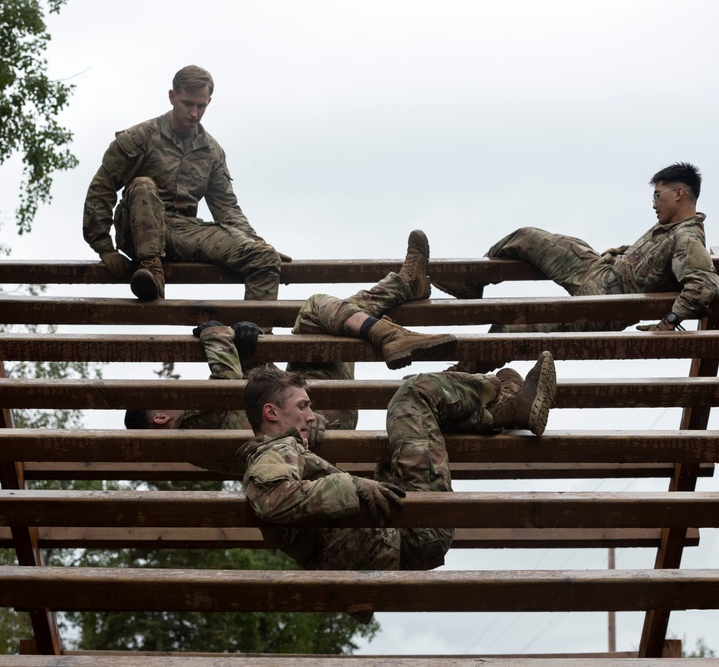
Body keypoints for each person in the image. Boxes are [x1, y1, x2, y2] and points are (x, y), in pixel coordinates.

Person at [236, 350, 556, 585]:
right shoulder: (271, 454)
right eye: (303, 406)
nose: (310, 415)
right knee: (411, 395)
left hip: (396, 538)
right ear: (271, 413)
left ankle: (504, 410)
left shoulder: (284, 449)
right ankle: (499, 392)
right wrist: (354, 486)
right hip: (412, 535)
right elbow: (273, 498)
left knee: (415, 418)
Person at [125, 230, 456, 432]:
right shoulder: (190, 427)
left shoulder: (197, 426)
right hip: (317, 415)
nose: (172, 388)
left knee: (323, 317)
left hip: (299, 399)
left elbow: (256, 398)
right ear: (160, 418)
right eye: (163, 395)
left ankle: (403, 287)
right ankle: (390, 327)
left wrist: (251, 342)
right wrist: (214, 333)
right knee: (317, 309)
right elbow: (226, 388)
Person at [433, 162, 719, 338]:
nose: (654, 203)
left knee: (507, 333)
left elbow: (704, 286)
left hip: (602, 304)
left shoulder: (687, 239)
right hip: (597, 269)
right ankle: (471, 284)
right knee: (527, 238)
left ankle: (455, 380)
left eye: (658, 195)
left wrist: (669, 321)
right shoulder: (671, 228)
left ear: (679, 194)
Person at [83, 65, 284, 303]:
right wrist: (105, 248)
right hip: (137, 230)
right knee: (143, 185)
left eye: (201, 106)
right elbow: (102, 188)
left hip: (184, 231)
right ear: (172, 97)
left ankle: (255, 332)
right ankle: (151, 274)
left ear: (209, 101)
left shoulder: (211, 150)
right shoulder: (140, 138)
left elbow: (226, 206)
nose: (194, 113)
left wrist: (254, 242)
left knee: (264, 257)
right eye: (188, 104)